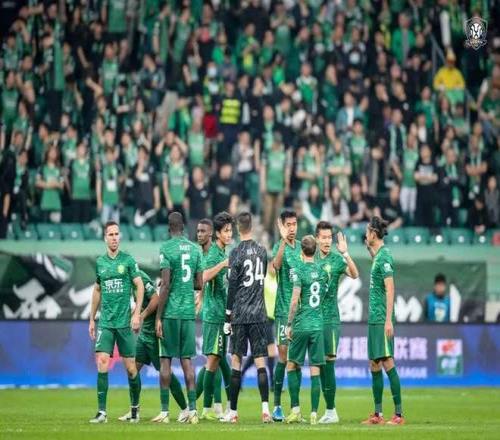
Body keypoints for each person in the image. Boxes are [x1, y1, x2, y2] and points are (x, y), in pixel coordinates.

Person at [88, 221, 144, 423]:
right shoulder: (100, 263)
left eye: (116, 234)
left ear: (120, 237)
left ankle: (135, 408)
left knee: (131, 369)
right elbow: (97, 290)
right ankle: (102, 412)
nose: (114, 237)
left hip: (124, 324)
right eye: (110, 234)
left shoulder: (128, 260)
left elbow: (139, 286)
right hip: (106, 323)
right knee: (102, 362)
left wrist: (136, 313)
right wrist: (92, 318)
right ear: (105, 238)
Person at [118, 269, 189, 424]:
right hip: (144, 336)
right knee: (132, 370)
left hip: (153, 336)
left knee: (165, 373)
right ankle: (134, 410)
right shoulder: (130, 283)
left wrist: (141, 316)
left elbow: (156, 300)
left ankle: (185, 409)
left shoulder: (141, 279)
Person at [220, 212, 271, 423]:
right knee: (260, 362)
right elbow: (263, 276)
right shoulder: (262, 251)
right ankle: (265, 410)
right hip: (259, 313)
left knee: (236, 361)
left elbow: (232, 286)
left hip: (240, 315)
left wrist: (227, 315)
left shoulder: (236, 253)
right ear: (251, 226)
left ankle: (233, 412)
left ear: (237, 228)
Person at [156, 212, 203, 424]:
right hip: (188, 314)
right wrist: (184, 283)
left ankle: (165, 412)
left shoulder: (166, 248)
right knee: (187, 363)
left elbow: (165, 285)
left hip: (171, 313)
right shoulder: (194, 249)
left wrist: (158, 317)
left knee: (165, 361)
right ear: (183, 227)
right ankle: (192, 411)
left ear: (169, 228)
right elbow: (199, 284)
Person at [315, 222, 359, 423]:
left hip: (331, 319)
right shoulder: (310, 258)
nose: (327, 241)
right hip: (313, 319)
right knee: (320, 365)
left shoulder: (336, 259)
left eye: (329, 238)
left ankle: (331, 410)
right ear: (317, 239)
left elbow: (355, 274)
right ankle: (328, 410)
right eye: (323, 237)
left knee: (329, 362)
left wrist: (346, 254)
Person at [362, 217, 404, 425]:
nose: (365, 234)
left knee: (387, 361)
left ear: (374, 233)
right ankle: (378, 414)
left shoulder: (385, 256)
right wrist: (370, 252)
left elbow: (390, 288)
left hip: (381, 319)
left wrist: (388, 320)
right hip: (374, 318)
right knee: (374, 363)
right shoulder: (378, 256)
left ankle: (398, 415)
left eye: (367, 231)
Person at [284, 235, 328, 424]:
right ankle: (314, 414)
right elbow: (323, 296)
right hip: (317, 325)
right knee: (315, 369)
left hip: (301, 324)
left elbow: (295, 301)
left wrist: (289, 324)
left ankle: (295, 410)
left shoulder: (299, 270)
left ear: (301, 251)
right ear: (315, 250)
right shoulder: (322, 271)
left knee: (291, 365)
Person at [198, 212, 233, 420]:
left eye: (230, 231)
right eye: (226, 231)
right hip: (213, 315)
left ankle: (217, 406)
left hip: (222, 315)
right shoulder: (214, 254)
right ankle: (201, 407)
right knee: (213, 361)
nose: (229, 234)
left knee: (218, 360)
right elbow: (203, 277)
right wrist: (222, 264)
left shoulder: (222, 252)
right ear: (218, 233)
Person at [271, 210, 301, 422]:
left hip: (301, 313)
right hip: (283, 310)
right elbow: (276, 266)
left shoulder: (302, 247)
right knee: (283, 356)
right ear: (282, 226)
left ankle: (295, 408)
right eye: (288, 224)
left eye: (294, 224)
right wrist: (282, 241)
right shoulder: (279, 246)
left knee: (296, 360)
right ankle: (277, 406)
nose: (292, 228)